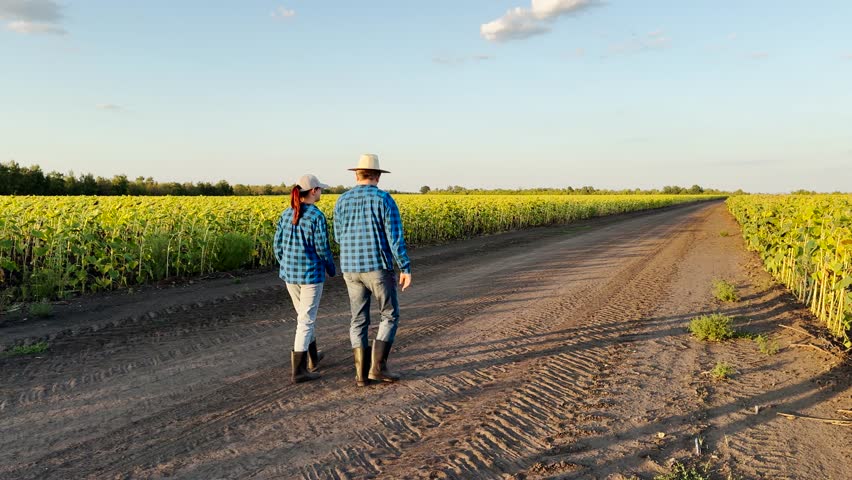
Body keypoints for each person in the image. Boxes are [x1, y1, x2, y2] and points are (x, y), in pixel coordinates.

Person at [333, 154, 412, 387]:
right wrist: (404, 267)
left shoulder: (342, 200)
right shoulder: (384, 199)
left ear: (357, 175)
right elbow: (395, 238)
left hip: (349, 269)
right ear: (377, 176)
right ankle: (377, 368)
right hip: (378, 267)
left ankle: (360, 374)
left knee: (358, 319)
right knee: (389, 314)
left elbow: (338, 237)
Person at [273, 174, 336, 384]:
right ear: (313, 191)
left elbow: (277, 246)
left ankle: (313, 357)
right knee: (306, 320)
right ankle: (299, 371)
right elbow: (322, 249)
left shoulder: (285, 214)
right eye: (320, 189)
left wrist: (285, 264)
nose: (321, 193)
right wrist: (331, 267)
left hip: (290, 275)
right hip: (310, 275)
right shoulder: (317, 217)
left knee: (304, 316)